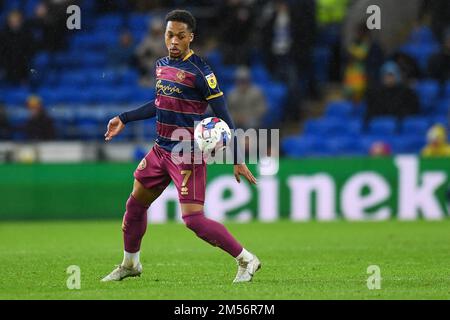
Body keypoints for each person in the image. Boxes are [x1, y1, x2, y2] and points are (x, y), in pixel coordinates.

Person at [101, 10, 260, 283]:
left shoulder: (201, 71)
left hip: (186, 153)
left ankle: (246, 259)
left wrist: (237, 157)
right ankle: (130, 264)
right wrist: (124, 118)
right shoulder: (161, 64)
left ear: (191, 38)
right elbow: (159, 103)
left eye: (180, 36)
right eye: (169, 35)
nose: (173, 41)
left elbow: (225, 116)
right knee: (135, 206)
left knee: (193, 220)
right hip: (160, 149)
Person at [365, 61, 420, 127]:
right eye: (386, 75)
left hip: (400, 125)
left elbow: (412, 109)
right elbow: (372, 109)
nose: (389, 78)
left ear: (397, 76)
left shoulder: (407, 92)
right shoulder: (375, 92)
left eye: (391, 75)